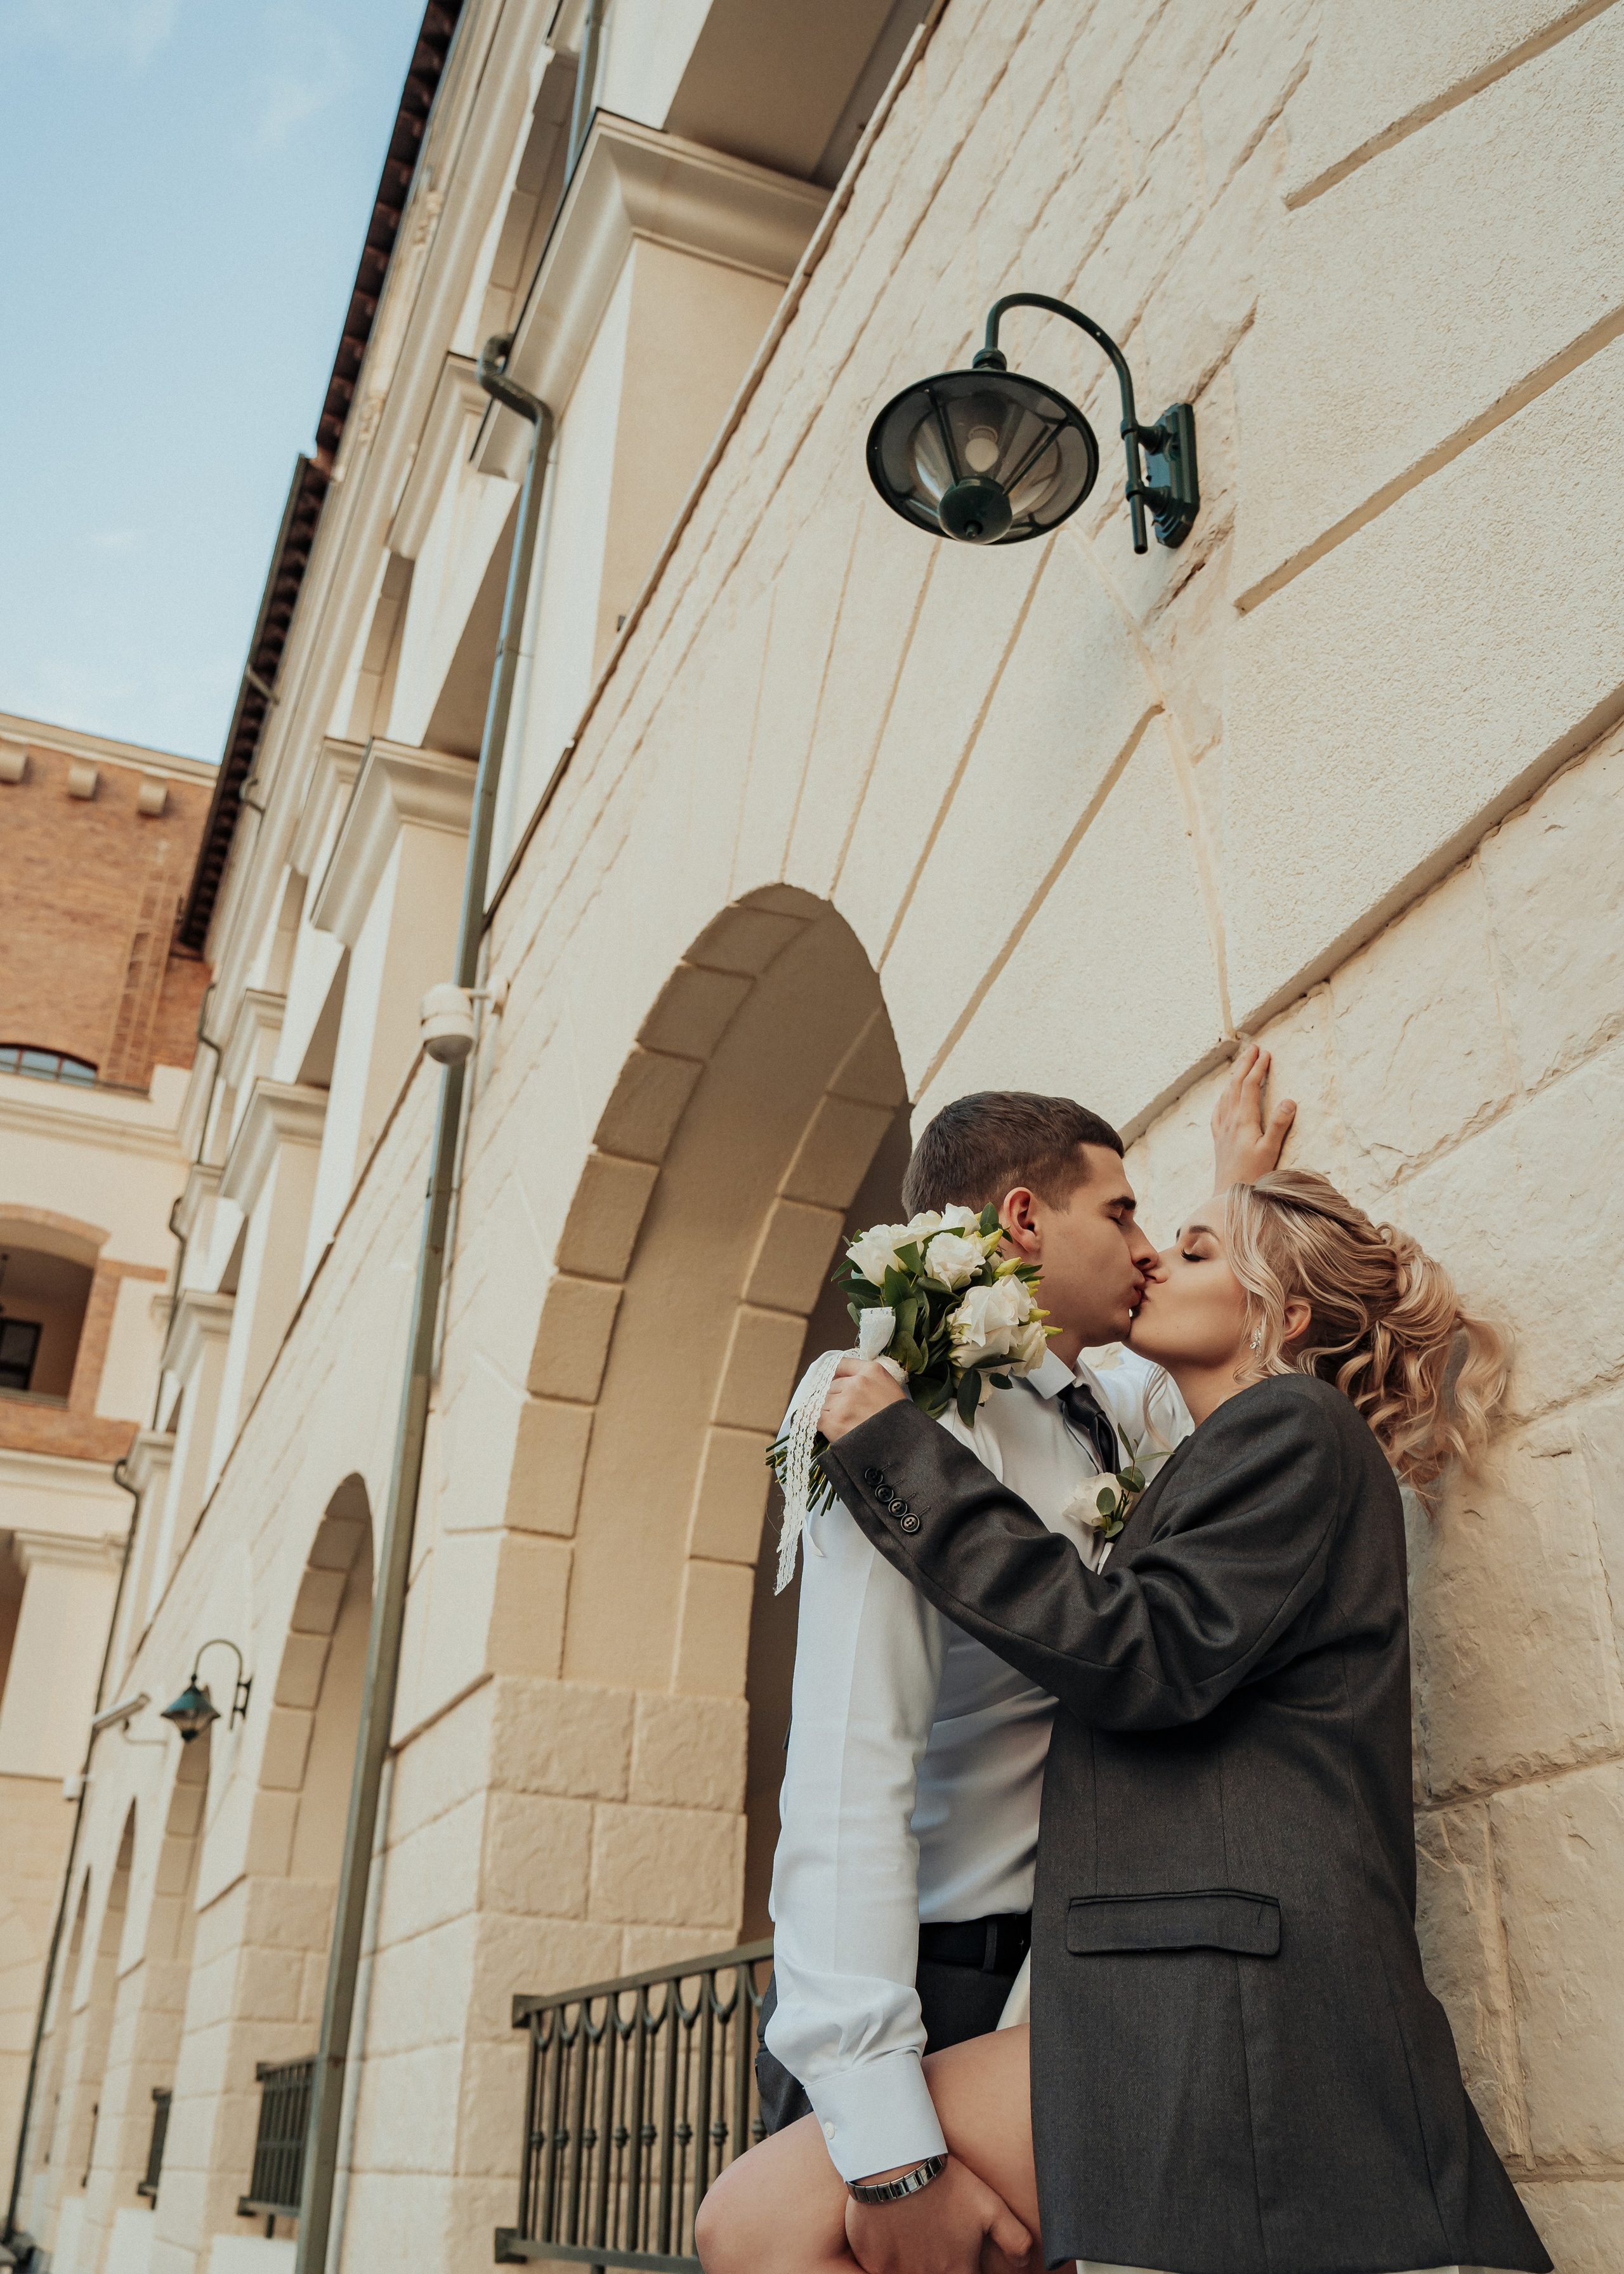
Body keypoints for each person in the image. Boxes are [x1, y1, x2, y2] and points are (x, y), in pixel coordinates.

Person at [697, 1126, 1551, 2274]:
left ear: (1277, 1316)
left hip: (1219, 1984)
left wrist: (899, 1453)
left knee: (757, 2223)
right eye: (1134, 1224)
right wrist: (1239, 1191)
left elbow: (1145, 1647)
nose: (1151, 1258)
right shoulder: (1194, 1456)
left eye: (1185, 1247)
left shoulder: (1294, 1428)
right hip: (1165, 1975)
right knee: (764, 2222)